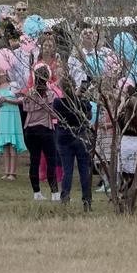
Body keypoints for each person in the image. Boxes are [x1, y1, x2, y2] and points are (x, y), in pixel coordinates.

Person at [21, 63, 62, 201]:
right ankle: (55, 193)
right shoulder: (50, 94)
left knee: (34, 160)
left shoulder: (29, 94)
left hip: (30, 129)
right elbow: (52, 112)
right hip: (45, 128)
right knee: (51, 160)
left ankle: (36, 192)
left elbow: (26, 108)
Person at [54, 73, 94, 210]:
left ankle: (65, 197)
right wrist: (80, 98)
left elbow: (57, 115)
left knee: (67, 170)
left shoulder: (58, 102)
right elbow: (89, 116)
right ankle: (87, 200)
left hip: (64, 135)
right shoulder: (80, 101)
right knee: (84, 169)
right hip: (81, 134)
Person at [0, 65, 26, 180]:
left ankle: (13, 172)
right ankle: (6, 171)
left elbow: (21, 100)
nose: (0, 70)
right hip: (3, 115)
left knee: (13, 144)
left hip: (13, 114)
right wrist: (0, 102)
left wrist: (7, 100)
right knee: (5, 144)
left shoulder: (13, 85)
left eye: (1, 68)